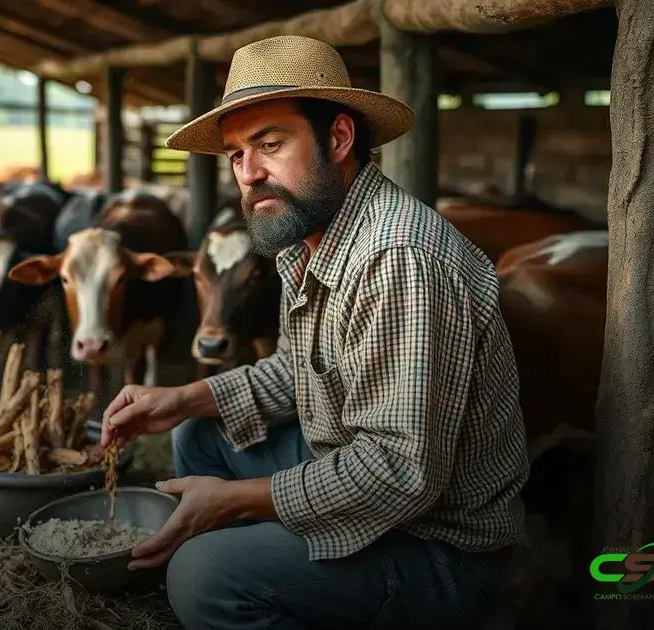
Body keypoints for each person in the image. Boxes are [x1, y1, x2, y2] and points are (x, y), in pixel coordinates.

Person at [101, 35, 530, 629]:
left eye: (270, 145)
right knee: (198, 433)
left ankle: (261, 574)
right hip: (354, 460)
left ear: (338, 138)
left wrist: (231, 502)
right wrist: (182, 397)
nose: (248, 175)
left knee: (203, 575)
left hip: (435, 544)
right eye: (235, 155)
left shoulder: (396, 258)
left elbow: (398, 472)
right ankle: (280, 567)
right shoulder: (309, 237)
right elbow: (299, 369)